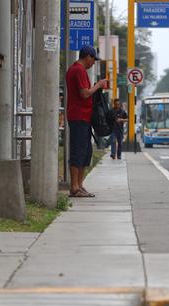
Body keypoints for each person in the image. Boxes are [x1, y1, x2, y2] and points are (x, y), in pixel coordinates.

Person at [65, 45, 108, 198]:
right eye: (93, 60)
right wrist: (98, 85)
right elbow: (84, 93)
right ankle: (74, 187)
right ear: (87, 57)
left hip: (83, 116)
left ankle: (80, 185)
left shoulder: (76, 70)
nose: (93, 63)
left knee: (85, 152)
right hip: (78, 116)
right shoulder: (78, 70)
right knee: (78, 151)